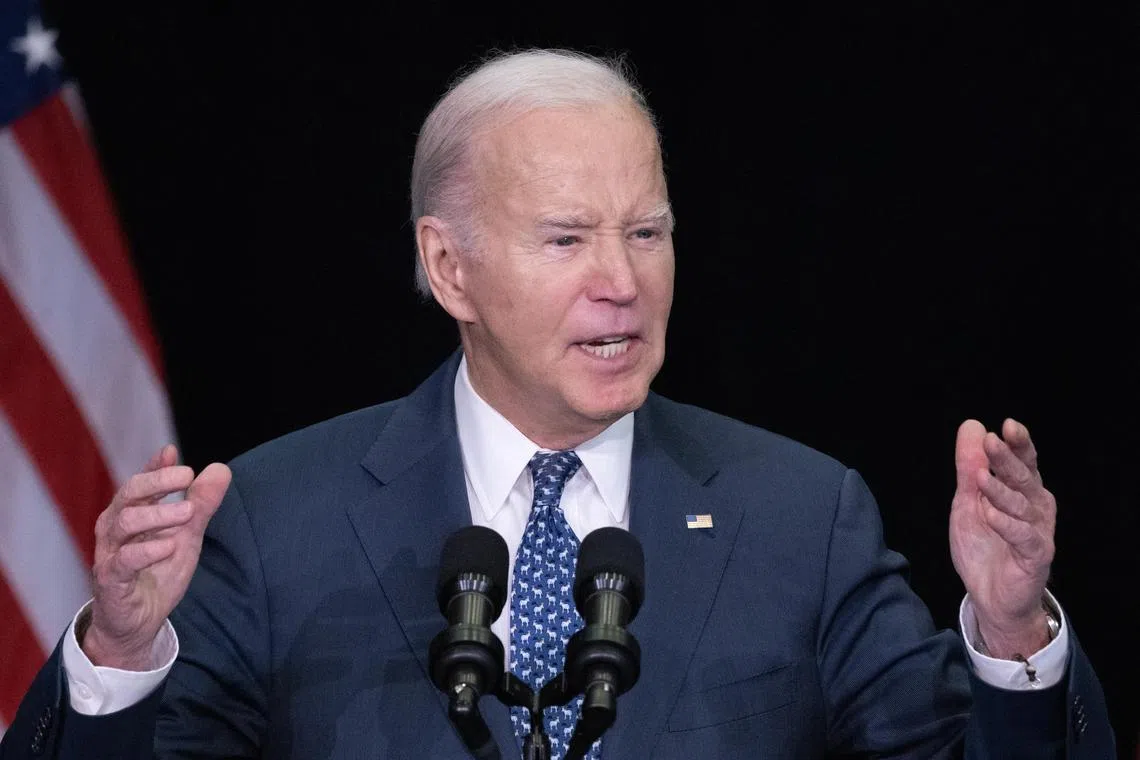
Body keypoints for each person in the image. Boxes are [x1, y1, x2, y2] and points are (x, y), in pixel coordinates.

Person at [0, 48, 1114, 759]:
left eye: (647, 231)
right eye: (567, 238)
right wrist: (121, 651)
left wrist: (1014, 632)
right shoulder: (278, 517)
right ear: (451, 269)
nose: (622, 280)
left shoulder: (801, 516)